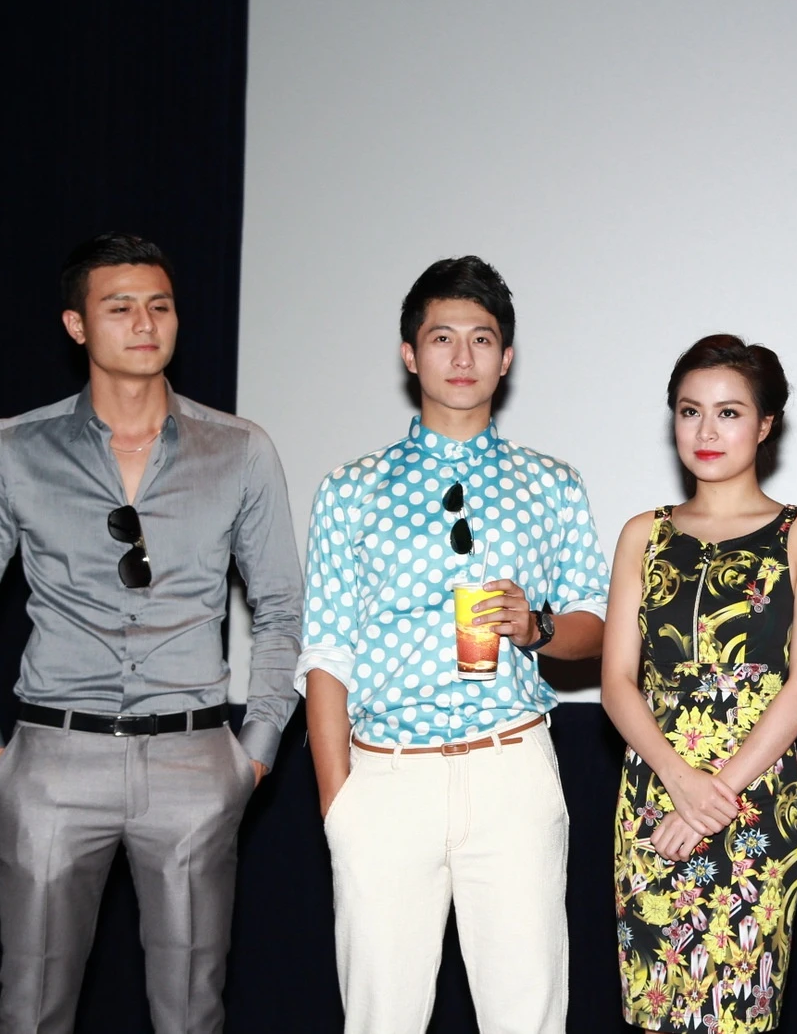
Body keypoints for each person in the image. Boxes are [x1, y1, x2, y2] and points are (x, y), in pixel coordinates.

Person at [0, 232, 303, 1034]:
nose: (144, 322)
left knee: (192, 1016)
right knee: (29, 1012)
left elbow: (281, 606)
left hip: (195, 760)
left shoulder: (239, 450)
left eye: (159, 305)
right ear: (76, 325)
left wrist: (254, 750)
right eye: (120, 306)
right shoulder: (12, 449)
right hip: (51, 760)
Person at [298, 255, 609, 1034]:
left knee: (527, 1016)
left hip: (510, 768)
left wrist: (537, 626)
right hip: (385, 777)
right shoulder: (351, 488)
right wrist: (340, 804)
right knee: (382, 1018)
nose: (462, 356)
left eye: (482, 338)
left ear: (507, 357)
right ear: (410, 353)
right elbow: (326, 650)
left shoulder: (552, 483)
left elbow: (598, 624)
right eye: (443, 337)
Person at [601, 334, 797, 1032]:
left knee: (738, 1005)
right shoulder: (642, 535)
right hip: (652, 792)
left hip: (755, 799)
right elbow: (617, 682)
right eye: (690, 411)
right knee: (656, 1004)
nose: (706, 431)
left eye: (729, 412)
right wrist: (679, 780)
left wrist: (716, 794)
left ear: (765, 425)